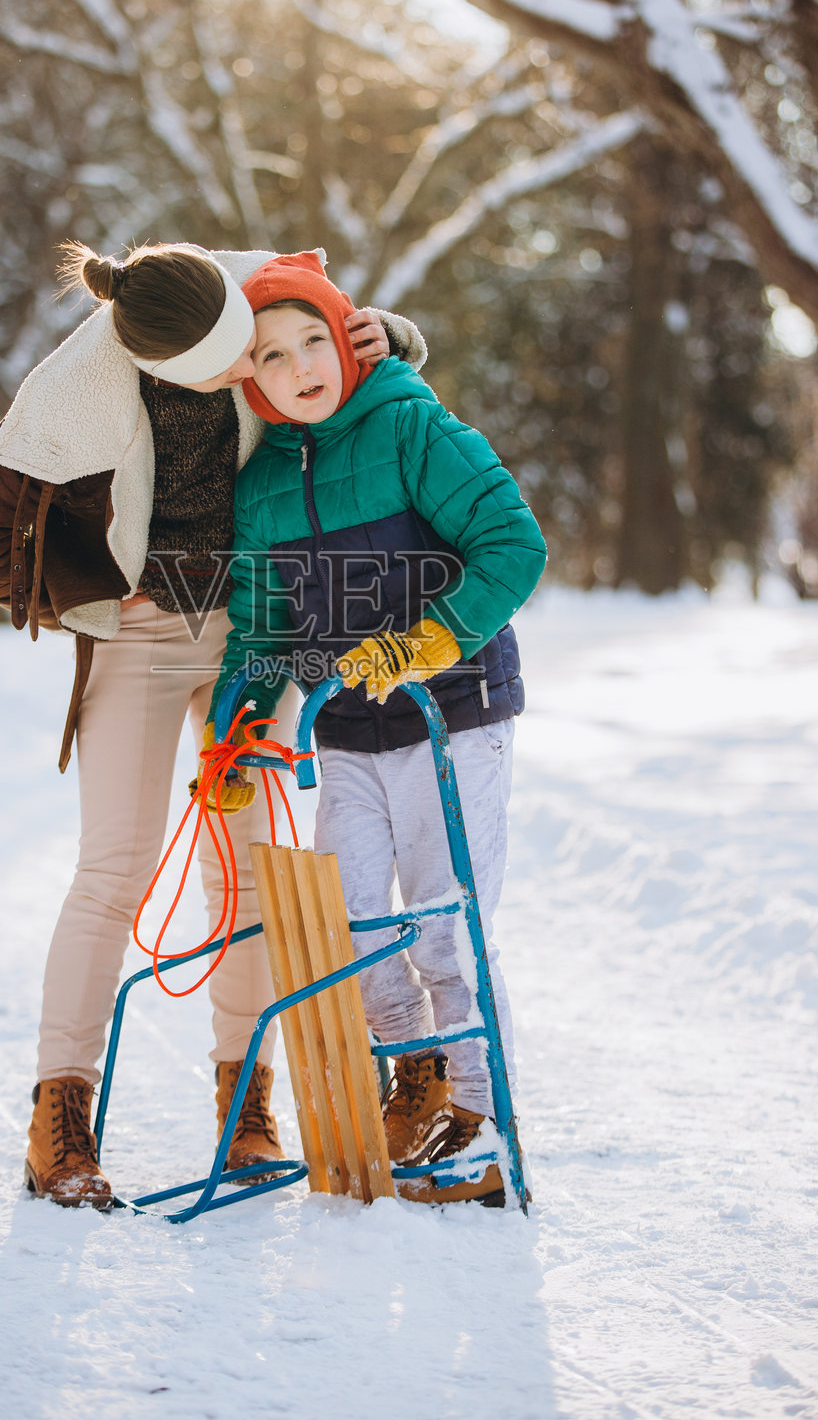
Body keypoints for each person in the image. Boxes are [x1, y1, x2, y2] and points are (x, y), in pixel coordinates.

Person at [0, 241, 428, 1208]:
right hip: (141, 632)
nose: (250, 368)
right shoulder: (76, 389)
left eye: (248, 346)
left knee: (245, 866)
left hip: (252, 626)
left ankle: (246, 1107)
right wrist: (77, 599)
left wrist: (393, 336)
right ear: (155, 361)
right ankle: (59, 1120)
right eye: (225, 365)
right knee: (114, 866)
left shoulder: (244, 290)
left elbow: (334, 350)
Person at [206, 251, 546, 1206]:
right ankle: (418, 1078)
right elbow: (262, 628)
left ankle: (482, 1122)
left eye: (312, 339)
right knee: (354, 928)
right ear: (251, 379)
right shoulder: (260, 482)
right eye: (273, 356)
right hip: (347, 730)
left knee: (444, 927)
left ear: (348, 339)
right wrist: (232, 732)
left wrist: (428, 641)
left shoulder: (409, 425)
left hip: (453, 713)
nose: (299, 366)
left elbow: (513, 545)